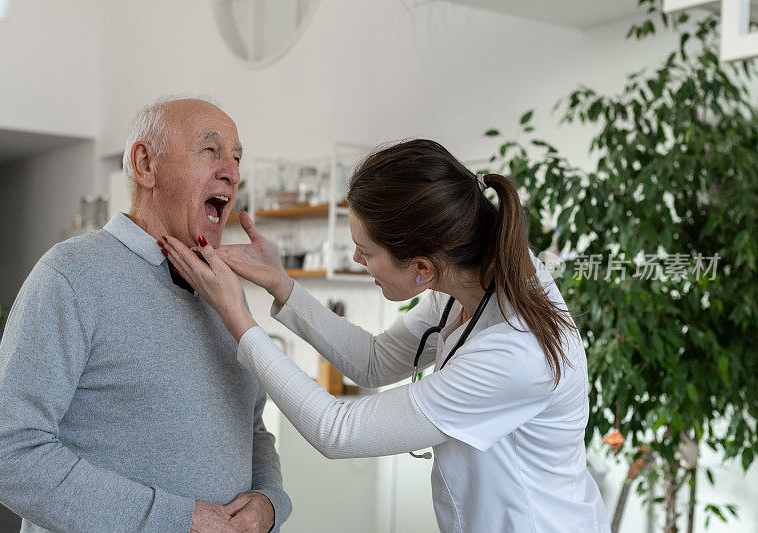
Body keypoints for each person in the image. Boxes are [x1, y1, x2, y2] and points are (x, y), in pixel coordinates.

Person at [161, 139, 610, 532]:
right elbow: (375, 362)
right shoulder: (467, 275)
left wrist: (238, 317)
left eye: (367, 251)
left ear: (421, 268)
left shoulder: (517, 352)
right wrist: (281, 284)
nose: (356, 258)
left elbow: (338, 431)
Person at [0, 96, 291, 533]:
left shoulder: (225, 292)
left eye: (237, 158)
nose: (232, 172)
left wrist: (269, 500)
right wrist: (177, 520)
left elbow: (252, 428)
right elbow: (8, 457)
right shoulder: (70, 275)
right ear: (145, 164)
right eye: (210, 150)